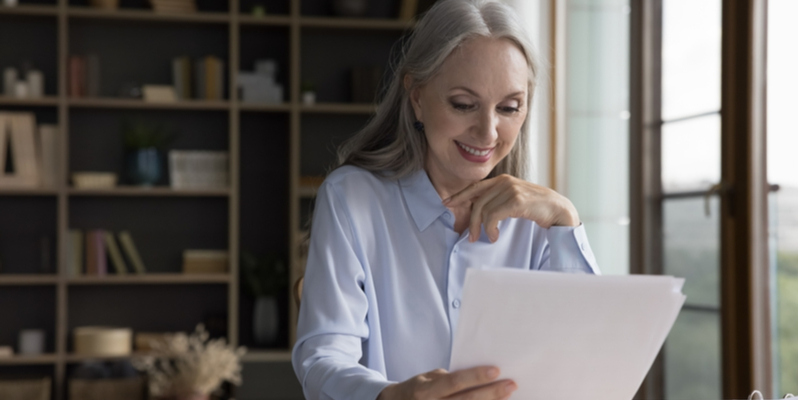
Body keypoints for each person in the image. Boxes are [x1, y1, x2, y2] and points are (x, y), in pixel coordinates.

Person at [292, 0, 600, 399]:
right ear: (417, 97)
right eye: (463, 104)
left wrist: (566, 221)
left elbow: (589, 361)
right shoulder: (353, 198)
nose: (488, 132)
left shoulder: (539, 222)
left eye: (509, 107)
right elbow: (322, 358)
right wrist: (390, 397)